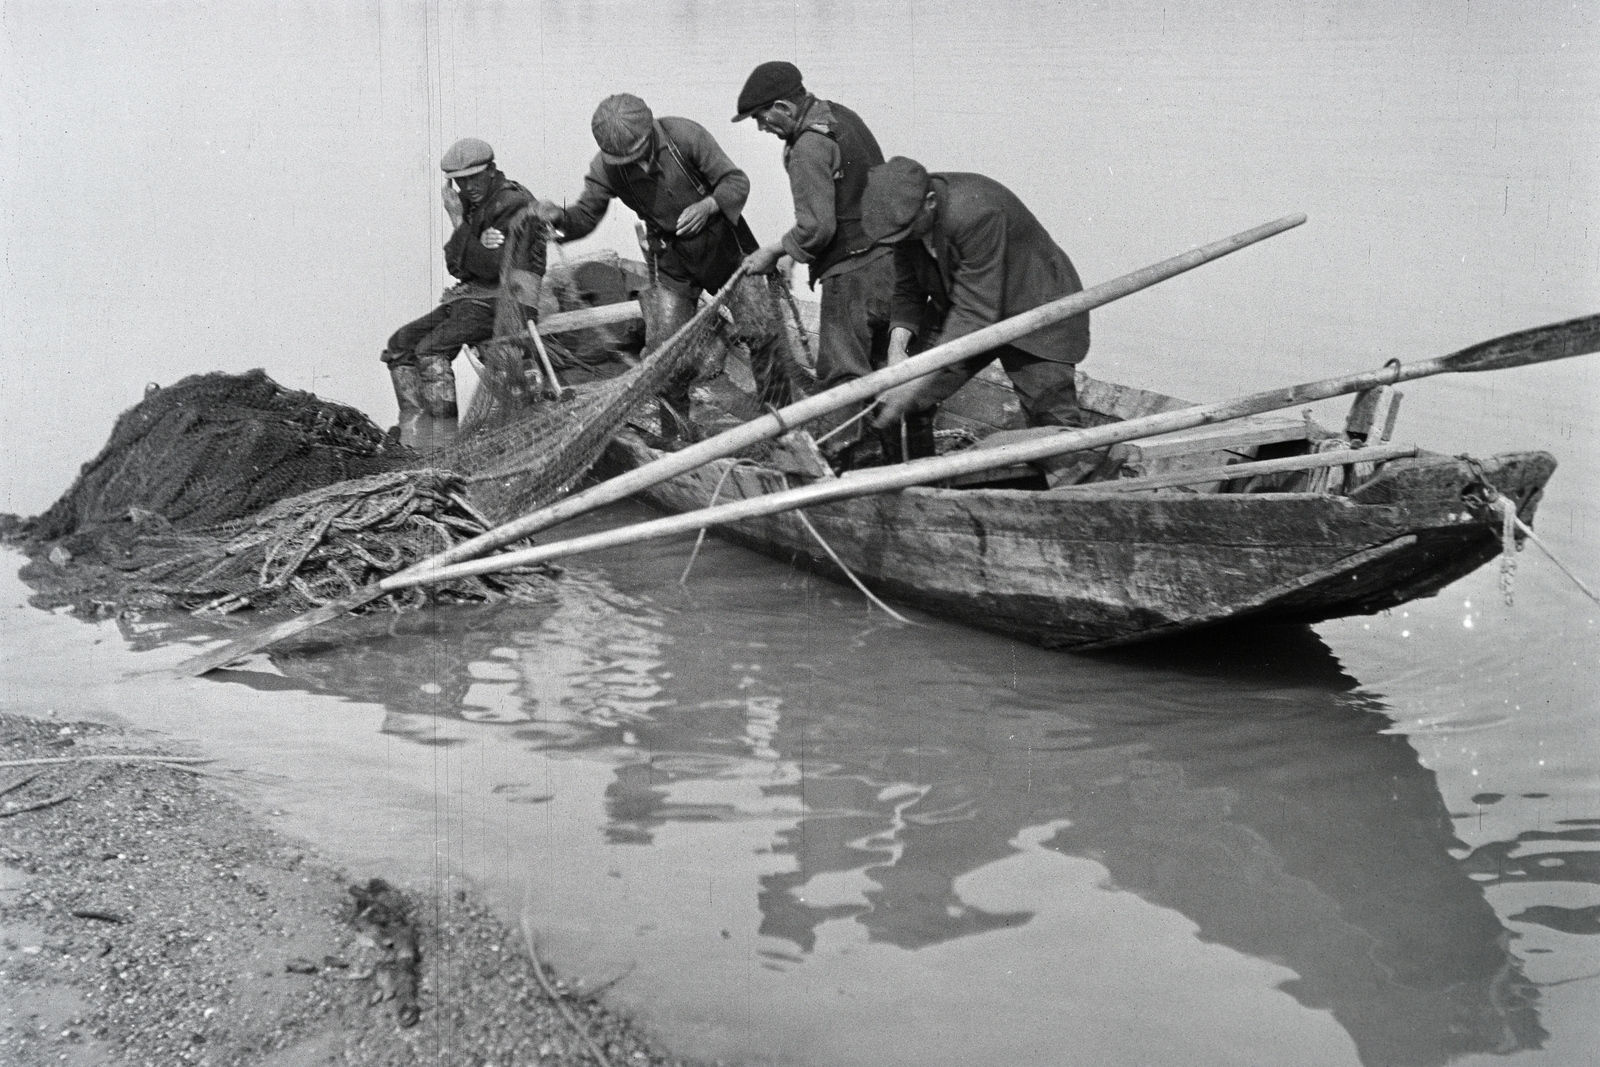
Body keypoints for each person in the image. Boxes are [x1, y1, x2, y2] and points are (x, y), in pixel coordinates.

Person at [538, 94, 796, 435]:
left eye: (641, 150)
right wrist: (559, 217)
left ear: (651, 130)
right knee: (666, 353)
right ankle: (676, 433)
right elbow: (584, 217)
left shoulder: (685, 136)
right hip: (671, 261)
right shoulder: (606, 168)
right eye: (626, 158)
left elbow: (735, 182)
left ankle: (783, 423)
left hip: (726, 248)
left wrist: (709, 206)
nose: (637, 161)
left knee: (762, 331)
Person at [862, 156, 1091, 470]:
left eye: (905, 232)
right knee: (899, 400)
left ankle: (1072, 499)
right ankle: (920, 488)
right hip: (962, 307)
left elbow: (976, 312)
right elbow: (908, 289)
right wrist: (897, 351)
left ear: (930, 203)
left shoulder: (976, 212)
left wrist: (916, 381)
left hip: (1036, 311)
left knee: (1052, 422)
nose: (901, 241)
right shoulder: (904, 221)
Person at [734, 61, 894, 452]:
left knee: (842, 375)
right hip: (892, 264)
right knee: (881, 365)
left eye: (761, 117)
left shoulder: (807, 146)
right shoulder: (841, 116)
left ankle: (836, 465)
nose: (761, 128)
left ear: (785, 109)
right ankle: (888, 451)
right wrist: (792, 252)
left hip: (852, 274)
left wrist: (775, 251)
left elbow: (817, 229)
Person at [381, 138, 545, 447]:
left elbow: (494, 268)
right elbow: (456, 266)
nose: (467, 186)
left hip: (508, 301)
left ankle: (441, 443)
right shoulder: (476, 204)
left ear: (491, 170)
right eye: (460, 180)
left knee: (431, 349)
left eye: (474, 176)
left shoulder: (511, 203)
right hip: (473, 298)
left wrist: (459, 223)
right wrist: (475, 240)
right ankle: (415, 436)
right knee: (400, 344)